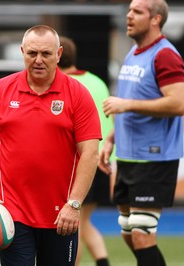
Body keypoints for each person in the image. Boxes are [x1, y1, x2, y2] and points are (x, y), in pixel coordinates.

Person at [0, 25, 102, 266]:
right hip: (13, 216)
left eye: (46, 54)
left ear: (59, 54)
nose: (38, 60)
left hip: (63, 216)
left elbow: (90, 153)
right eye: (32, 53)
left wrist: (74, 203)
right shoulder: (1, 90)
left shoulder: (78, 94)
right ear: (22, 52)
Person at [98, 0, 184, 266]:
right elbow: (131, 101)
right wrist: (112, 138)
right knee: (129, 231)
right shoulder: (133, 53)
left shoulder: (165, 55)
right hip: (128, 155)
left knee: (142, 232)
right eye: (129, 10)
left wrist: (127, 105)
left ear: (156, 19)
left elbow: (178, 104)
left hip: (154, 156)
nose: (129, 15)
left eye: (137, 11)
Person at [58, 36, 114, 266]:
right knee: (84, 220)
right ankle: (103, 262)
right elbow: (109, 122)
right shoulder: (98, 81)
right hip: (103, 159)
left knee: (74, 225)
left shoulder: (62, 86)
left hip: (81, 163)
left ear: (57, 55)